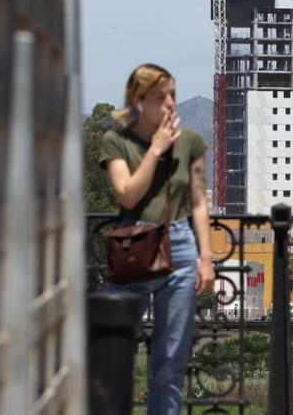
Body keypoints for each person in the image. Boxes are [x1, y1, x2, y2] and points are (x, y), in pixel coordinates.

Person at [99, 63, 215, 414]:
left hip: (180, 249)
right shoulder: (116, 141)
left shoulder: (191, 142)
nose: (170, 104)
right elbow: (128, 196)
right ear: (138, 101)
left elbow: (198, 202)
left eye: (173, 96)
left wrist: (205, 259)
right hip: (135, 245)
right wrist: (155, 149)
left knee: (170, 363)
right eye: (160, 97)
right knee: (114, 353)